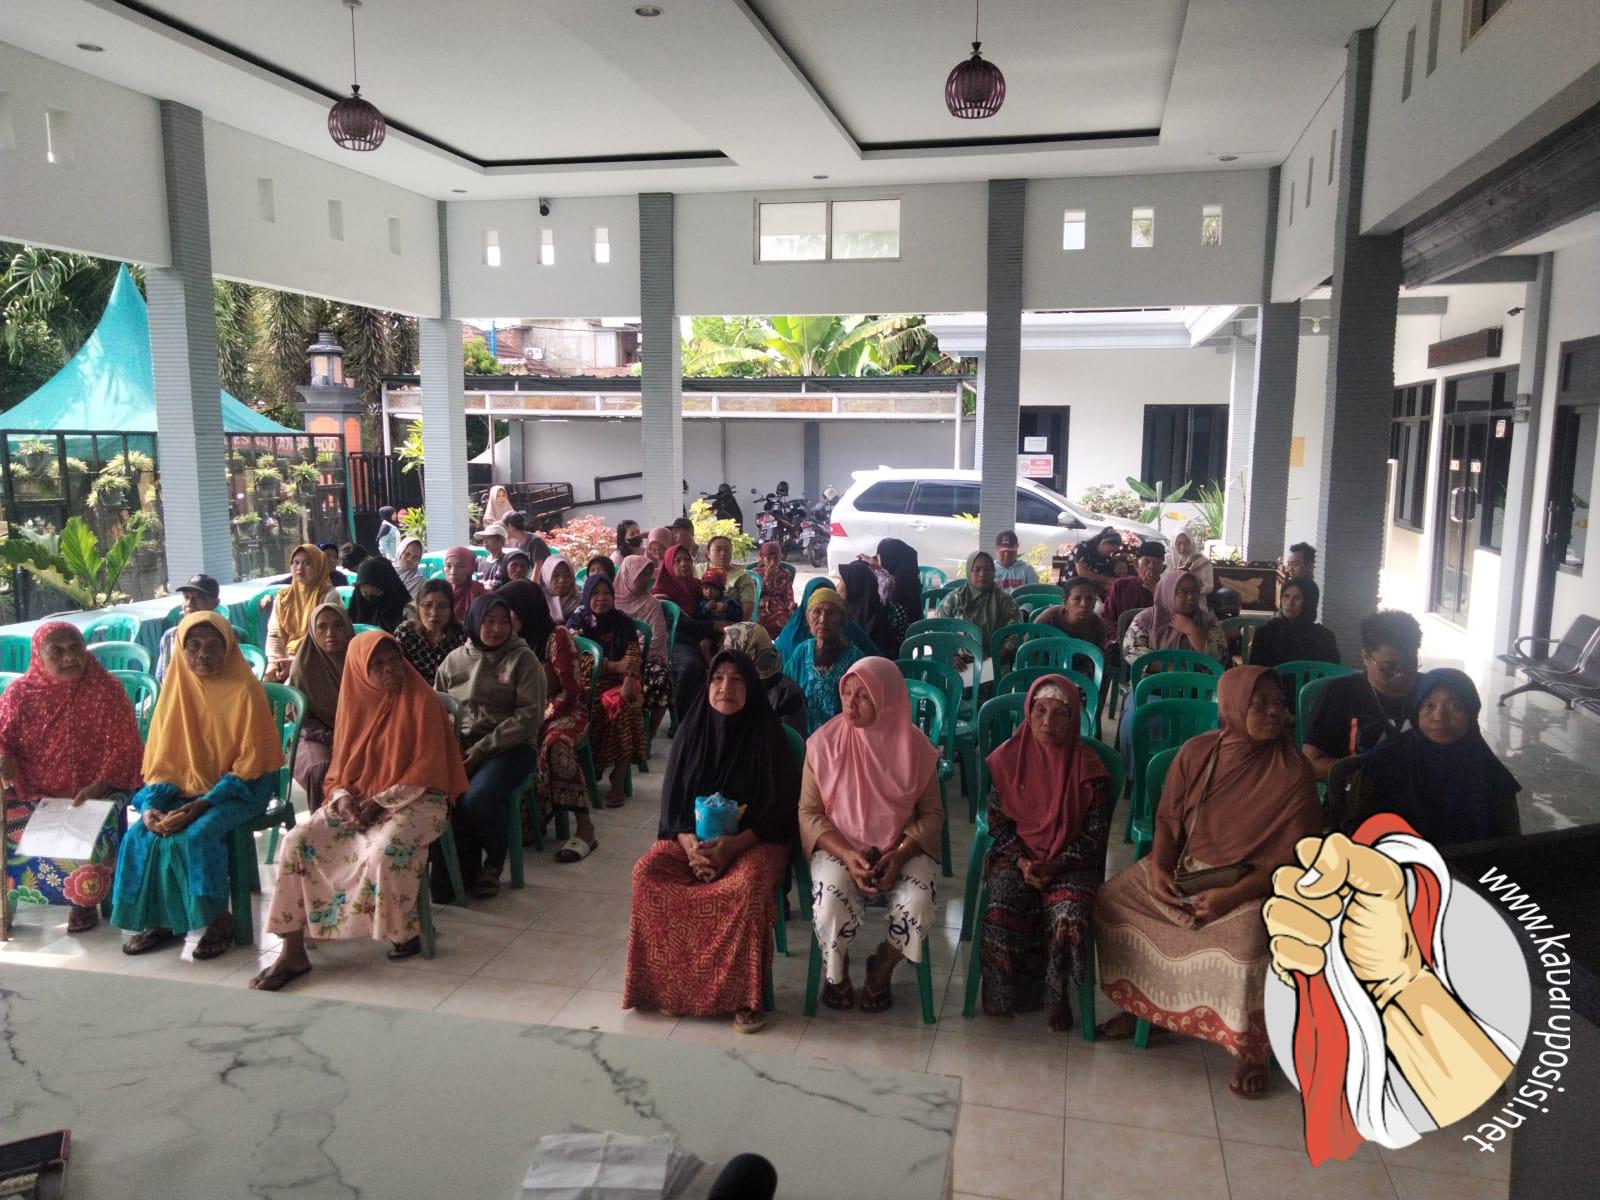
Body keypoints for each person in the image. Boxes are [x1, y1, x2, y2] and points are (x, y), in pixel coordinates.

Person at [1095, 666, 1321, 1098]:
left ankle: (1250, 1049)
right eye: (1260, 703)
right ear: (1232, 707)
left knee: (1246, 946)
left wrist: (1230, 897)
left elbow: (1294, 860)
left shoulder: (1293, 770)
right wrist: (1159, 870)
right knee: (1112, 901)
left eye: (1278, 702)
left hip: (1256, 884)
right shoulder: (1198, 752)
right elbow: (1167, 820)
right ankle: (1148, 1008)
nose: (1275, 712)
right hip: (1189, 869)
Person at [252, 632, 469, 988]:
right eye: (377, 665)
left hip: (419, 798)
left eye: (393, 660)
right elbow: (340, 769)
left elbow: (428, 770)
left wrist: (379, 803)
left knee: (384, 849)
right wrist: (342, 799)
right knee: (298, 840)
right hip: (359, 796)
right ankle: (292, 950)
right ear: (360, 671)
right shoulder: (354, 704)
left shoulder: (423, 701)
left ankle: (404, 932)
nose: (389, 669)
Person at [624, 650, 800, 1032]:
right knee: (647, 875)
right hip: (691, 841)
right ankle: (672, 988)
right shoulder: (692, 731)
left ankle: (745, 998)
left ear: (751, 688)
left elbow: (780, 812)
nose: (725, 688)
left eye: (737, 680)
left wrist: (731, 847)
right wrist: (692, 848)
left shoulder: (767, 735)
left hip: (755, 842)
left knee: (746, 886)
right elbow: (673, 807)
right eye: (717, 678)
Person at [112, 613, 284, 960]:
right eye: (193, 646)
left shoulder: (245, 691)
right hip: (182, 786)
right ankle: (162, 920)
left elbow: (251, 764)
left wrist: (201, 805)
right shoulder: (175, 691)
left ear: (228, 648)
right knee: (141, 834)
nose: (203, 654)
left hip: (241, 788)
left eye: (213, 646)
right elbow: (163, 763)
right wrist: (151, 806)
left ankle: (218, 919)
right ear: (181, 650)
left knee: (197, 834)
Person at [803, 658, 942, 1013]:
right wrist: (848, 856)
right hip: (840, 846)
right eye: (847, 692)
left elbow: (932, 814)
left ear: (888, 700)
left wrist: (899, 854)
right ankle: (838, 973)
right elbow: (810, 813)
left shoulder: (917, 750)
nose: (850, 703)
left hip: (901, 848)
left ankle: (882, 967)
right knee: (829, 903)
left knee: (919, 904)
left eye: (863, 696)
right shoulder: (823, 746)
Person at [979, 676, 1111, 1030]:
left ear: (1074, 719)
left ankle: (1057, 994)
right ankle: (1003, 991)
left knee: (1068, 912)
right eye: (1039, 711)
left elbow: (1093, 838)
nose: (1047, 721)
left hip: (1070, 863)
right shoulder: (1009, 759)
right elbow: (998, 825)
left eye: (1059, 713)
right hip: (1017, 857)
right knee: (1002, 903)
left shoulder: (1089, 770)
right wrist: (1024, 862)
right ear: (1029, 713)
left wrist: (1053, 865)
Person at [0, 622, 144, 936]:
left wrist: (101, 785)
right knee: (6, 825)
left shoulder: (107, 689)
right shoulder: (20, 693)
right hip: (31, 792)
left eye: (75, 648)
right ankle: (6, 898)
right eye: (57, 651)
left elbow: (127, 747)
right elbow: (2, 738)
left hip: (94, 792)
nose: (69, 657)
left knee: (89, 833)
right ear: (39, 656)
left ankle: (82, 901)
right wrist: (3, 760)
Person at [434, 595, 544, 896]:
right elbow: (439, 708)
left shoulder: (523, 659)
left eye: (503, 622)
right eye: (489, 621)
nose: (497, 629)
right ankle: (453, 872)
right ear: (474, 622)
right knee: (432, 793)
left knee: (477, 797)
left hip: (511, 747)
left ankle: (494, 860)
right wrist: (453, 748)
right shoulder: (454, 660)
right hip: (463, 748)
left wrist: (481, 750)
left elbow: (529, 717)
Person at [1336, 669, 1520, 848]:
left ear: (1471, 714)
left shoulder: (1489, 772)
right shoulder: (1383, 762)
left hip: (1472, 864)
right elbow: (1358, 831)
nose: (1439, 717)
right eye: (1429, 705)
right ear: (1416, 710)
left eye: (1455, 706)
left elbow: (1508, 844)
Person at [1302, 610, 1422, 782]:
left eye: (1410, 665)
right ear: (1366, 657)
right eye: (1389, 667)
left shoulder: (1430, 692)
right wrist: (1370, 775)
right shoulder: (1339, 693)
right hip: (1357, 793)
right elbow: (1311, 764)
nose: (1400, 674)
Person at [566, 573, 645, 807]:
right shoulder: (577, 621)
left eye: (607, 593)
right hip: (587, 685)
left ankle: (617, 779)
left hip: (619, 683)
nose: (602, 598)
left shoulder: (623, 621)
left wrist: (629, 679)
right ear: (587, 596)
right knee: (609, 708)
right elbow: (577, 659)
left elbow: (633, 654)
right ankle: (602, 772)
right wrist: (612, 666)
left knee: (625, 707)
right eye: (596, 593)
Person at [287, 603, 354, 814]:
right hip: (313, 735)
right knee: (319, 768)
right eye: (322, 627)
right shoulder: (304, 665)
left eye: (337, 626)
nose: (330, 633)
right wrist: (332, 738)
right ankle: (324, 823)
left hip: (358, 733)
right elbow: (301, 719)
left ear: (347, 628)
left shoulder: (361, 660)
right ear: (313, 631)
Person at [783, 587, 864, 734]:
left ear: (841, 619)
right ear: (808, 618)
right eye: (817, 612)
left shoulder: (855, 659)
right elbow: (786, 692)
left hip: (841, 738)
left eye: (831, 612)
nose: (823, 619)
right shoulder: (801, 652)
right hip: (803, 736)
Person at [655, 544, 723, 717]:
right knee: (691, 665)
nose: (684, 563)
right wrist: (714, 627)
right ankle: (685, 719)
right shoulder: (662, 593)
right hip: (676, 641)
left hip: (702, 637)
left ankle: (719, 714)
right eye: (677, 561)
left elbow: (715, 608)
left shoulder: (698, 586)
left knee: (730, 657)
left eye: (686, 559)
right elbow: (680, 624)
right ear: (668, 564)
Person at [613, 556, 676, 732]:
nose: (646, 580)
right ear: (628, 575)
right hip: (614, 657)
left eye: (649, 575)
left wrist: (633, 658)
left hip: (647, 657)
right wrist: (619, 660)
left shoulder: (652, 604)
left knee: (661, 678)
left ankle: (648, 733)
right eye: (641, 575)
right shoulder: (610, 601)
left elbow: (657, 639)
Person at [1122, 569, 1228, 669]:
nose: (1191, 597)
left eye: (1195, 591)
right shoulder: (1146, 619)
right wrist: (1172, 670)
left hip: (1200, 682)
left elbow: (1220, 659)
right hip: (1154, 681)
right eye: (1182, 592)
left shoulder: (1208, 619)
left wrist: (1193, 631)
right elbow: (1131, 651)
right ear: (1168, 593)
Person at [265, 542, 339, 681]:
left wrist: (295, 662)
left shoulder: (328, 595)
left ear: (318, 566)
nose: (300, 568)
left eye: (307, 563)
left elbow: (326, 639)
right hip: (286, 658)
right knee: (265, 681)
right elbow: (275, 633)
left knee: (293, 682)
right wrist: (274, 661)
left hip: (317, 659)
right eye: (296, 562)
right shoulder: (284, 597)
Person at [722, 621, 807, 737]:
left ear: (747, 653)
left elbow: (788, 742)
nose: (724, 656)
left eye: (729, 649)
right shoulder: (731, 684)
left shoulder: (787, 694)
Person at [155, 574, 242, 683]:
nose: (190, 603)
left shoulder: (227, 636)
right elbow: (162, 679)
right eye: (186, 597)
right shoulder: (170, 636)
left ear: (216, 603)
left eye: (199, 597)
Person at [937, 551, 1023, 660]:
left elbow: (1016, 631)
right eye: (977, 569)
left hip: (997, 660)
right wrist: (950, 657)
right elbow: (937, 633)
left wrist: (998, 657)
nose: (982, 574)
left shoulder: (1005, 601)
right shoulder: (953, 600)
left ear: (994, 572)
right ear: (969, 571)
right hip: (959, 664)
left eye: (987, 569)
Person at [1247, 578, 1340, 670]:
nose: (1289, 603)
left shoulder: (1323, 638)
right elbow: (1254, 673)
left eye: (1297, 598)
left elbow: (1333, 674)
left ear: (1309, 603)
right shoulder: (1265, 634)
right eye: (1286, 596)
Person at [394, 579, 467, 681]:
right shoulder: (405, 633)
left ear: (451, 609)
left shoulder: (462, 634)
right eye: (428, 605)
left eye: (442, 606)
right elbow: (397, 671)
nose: (434, 613)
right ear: (418, 607)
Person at [1034, 577, 1114, 653]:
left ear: (1095, 603)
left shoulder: (1098, 626)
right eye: (1077, 599)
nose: (1084, 604)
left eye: (1089, 599)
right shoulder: (1048, 619)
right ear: (1065, 603)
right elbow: (1030, 647)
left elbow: (1099, 657)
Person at [839, 559, 897, 658]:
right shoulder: (844, 612)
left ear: (853, 586)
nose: (837, 586)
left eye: (841, 582)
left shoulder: (877, 622)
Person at [1103, 542, 1165, 634]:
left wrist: (1157, 595)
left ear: (1163, 569)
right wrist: (1119, 637)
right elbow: (1107, 619)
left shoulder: (1168, 591)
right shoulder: (1120, 586)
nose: (1151, 566)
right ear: (1136, 564)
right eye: (1146, 562)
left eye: (1156, 563)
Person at [348, 556, 412, 633]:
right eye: (365, 594)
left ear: (387, 588)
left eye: (376, 594)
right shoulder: (357, 604)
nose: (370, 600)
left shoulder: (405, 611)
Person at [876, 537, 923, 642]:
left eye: (879, 558)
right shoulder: (909, 580)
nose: (878, 563)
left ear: (889, 560)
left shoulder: (892, 588)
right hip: (912, 642)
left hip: (896, 645)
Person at [703, 535, 756, 616]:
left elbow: (747, 612)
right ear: (708, 554)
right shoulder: (698, 569)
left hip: (732, 621)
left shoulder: (743, 577)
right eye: (718, 549)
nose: (723, 553)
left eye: (727, 550)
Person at [753, 541, 796, 638]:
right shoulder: (755, 573)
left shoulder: (784, 573)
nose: (772, 562)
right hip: (759, 607)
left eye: (776, 558)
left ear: (780, 558)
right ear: (763, 559)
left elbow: (788, 595)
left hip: (779, 606)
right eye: (768, 558)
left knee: (786, 622)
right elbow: (754, 595)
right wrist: (767, 579)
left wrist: (790, 608)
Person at [443, 545, 487, 621]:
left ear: (469, 568)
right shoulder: (440, 592)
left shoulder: (479, 593)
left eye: (460, 566)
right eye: (448, 566)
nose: (453, 571)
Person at [1167, 530, 1215, 595]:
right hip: (1172, 598)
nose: (1182, 547)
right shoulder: (1169, 560)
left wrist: (1191, 594)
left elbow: (1208, 587)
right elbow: (1165, 583)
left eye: (1186, 543)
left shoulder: (1203, 561)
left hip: (1196, 598)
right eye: (1179, 543)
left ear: (1192, 543)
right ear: (1173, 544)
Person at [541, 556, 581, 624]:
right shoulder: (536, 604)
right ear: (545, 577)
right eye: (555, 575)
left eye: (567, 575)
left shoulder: (582, 603)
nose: (562, 580)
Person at [476, 524, 509, 588]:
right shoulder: (479, 561)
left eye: (488, 537)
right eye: (484, 538)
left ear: (501, 541)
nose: (485, 541)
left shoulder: (508, 562)